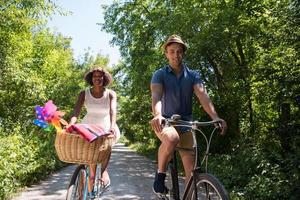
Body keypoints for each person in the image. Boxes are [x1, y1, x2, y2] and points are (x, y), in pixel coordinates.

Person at [150, 35, 227, 197]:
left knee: (192, 173)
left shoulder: (193, 75)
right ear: (166, 53)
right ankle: (160, 176)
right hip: (165, 121)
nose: (175, 55)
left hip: (186, 124)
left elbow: (203, 96)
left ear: (183, 53)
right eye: (172, 51)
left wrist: (215, 117)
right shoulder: (159, 74)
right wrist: (158, 115)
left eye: (179, 51)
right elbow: (156, 96)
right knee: (171, 139)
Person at [69, 66, 120, 197]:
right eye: (95, 76)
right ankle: (89, 187)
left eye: (100, 76)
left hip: (105, 124)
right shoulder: (84, 93)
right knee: (91, 164)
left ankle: (104, 171)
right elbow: (76, 111)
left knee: (107, 144)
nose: (97, 79)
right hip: (89, 124)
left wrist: (113, 126)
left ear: (105, 78)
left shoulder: (110, 94)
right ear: (91, 79)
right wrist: (71, 123)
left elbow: (113, 111)